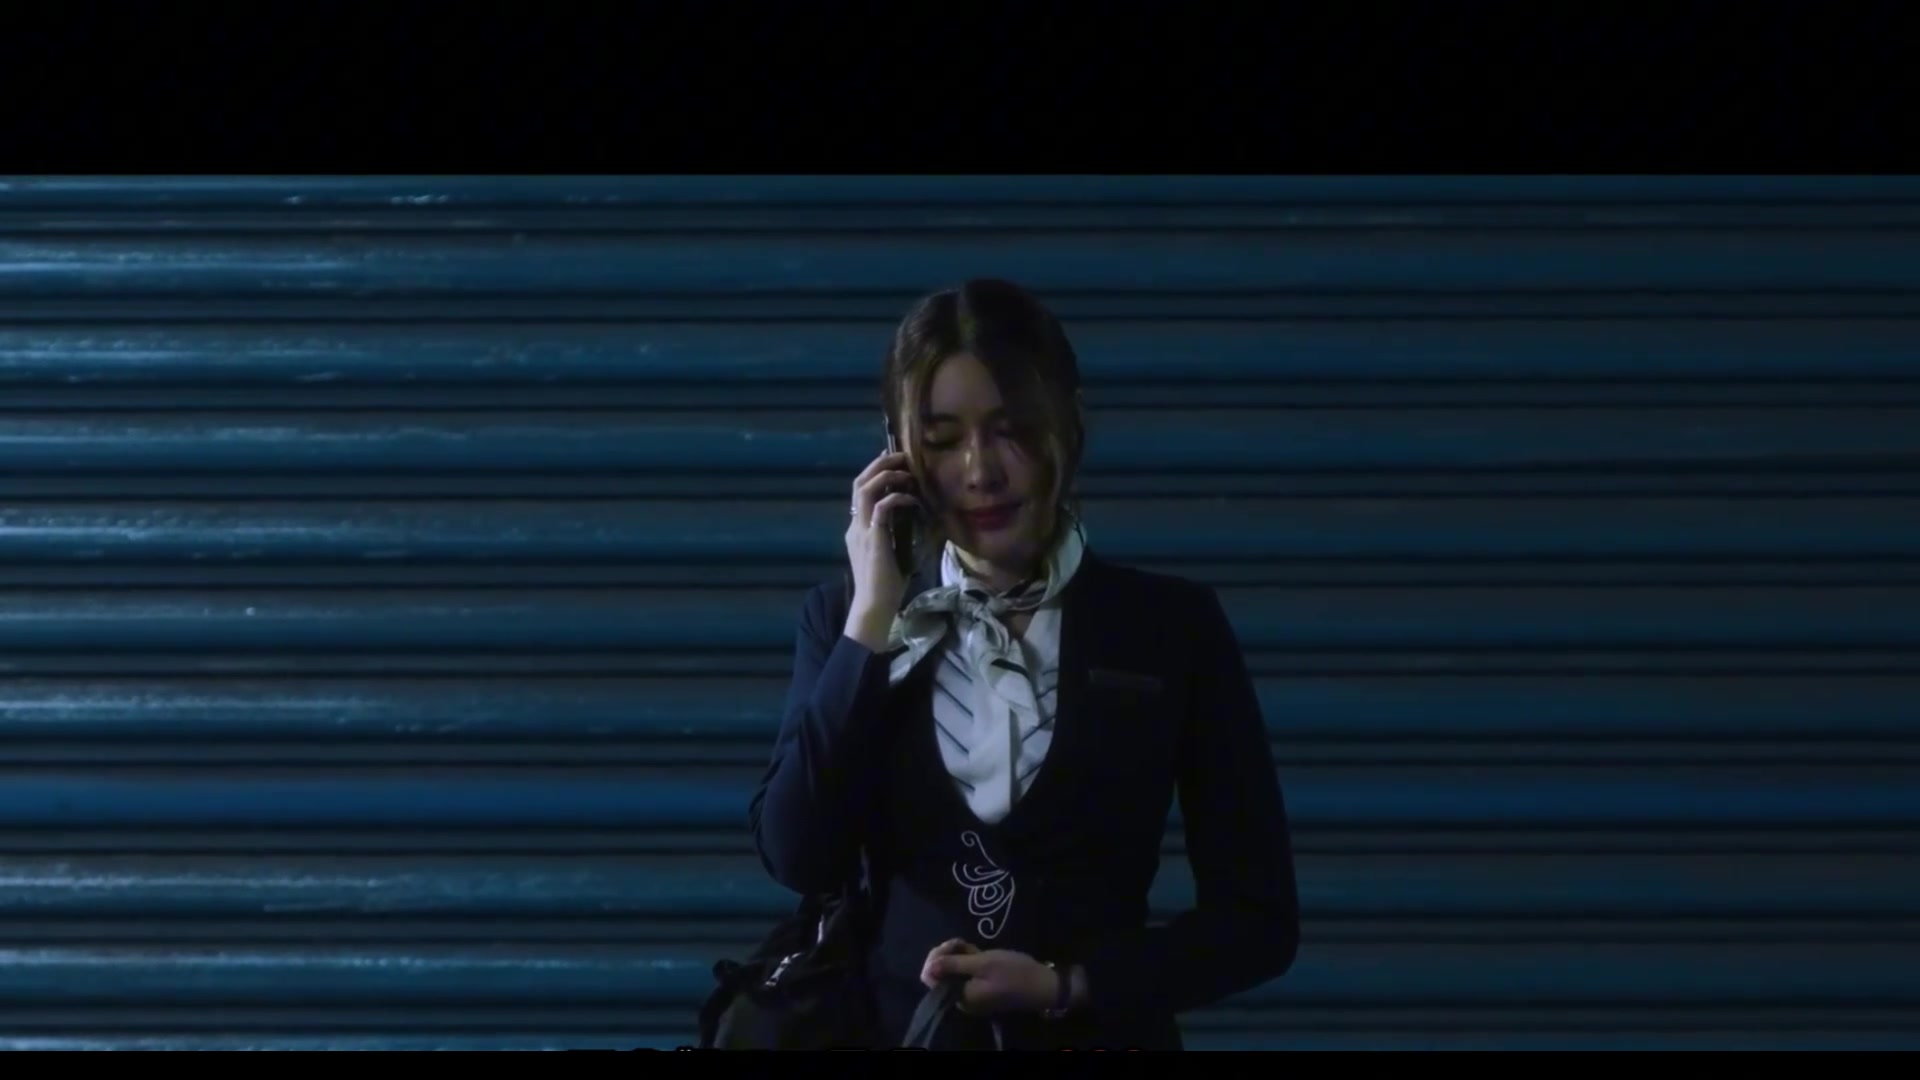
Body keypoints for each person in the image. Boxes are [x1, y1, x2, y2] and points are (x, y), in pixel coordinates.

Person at [747, 278, 1299, 1050]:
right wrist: (871, 617)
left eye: (1011, 429)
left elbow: (1259, 922)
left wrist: (1069, 984)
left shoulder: (1170, 628)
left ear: (1066, 425)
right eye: (943, 440)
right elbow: (797, 853)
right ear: (897, 452)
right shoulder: (848, 621)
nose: (981, 471)